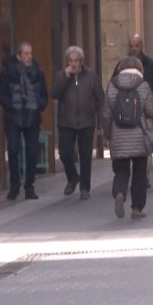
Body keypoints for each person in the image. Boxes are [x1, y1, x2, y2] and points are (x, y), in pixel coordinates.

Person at [102, 56, 153, 219]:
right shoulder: (143, 85)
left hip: (118, 137)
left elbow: (106, 114)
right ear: (140, 70)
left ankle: (119, 192)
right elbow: (151, 110)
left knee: (121, 170)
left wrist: (107, 134)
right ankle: (137, 208)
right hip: (139, 136)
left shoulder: (112, 85)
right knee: (140, 173)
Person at [0, 42, 49, 201]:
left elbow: (44, 93)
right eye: (26, 53)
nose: (29, 56)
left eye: (30, 53)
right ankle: (14, 185)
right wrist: (10, 105)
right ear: (18, 56)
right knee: (13, 150)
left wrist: (40, 105)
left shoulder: (37, 72)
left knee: (32, 152)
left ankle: (29, 186)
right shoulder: (8, 72)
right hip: (14, 117)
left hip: (32, 116)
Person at [51, 45, 104, 200]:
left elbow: (100, 99)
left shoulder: (91, 75)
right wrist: (65, 77)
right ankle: (73, 177)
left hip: (87, 120)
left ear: (81, 61)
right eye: (70, 61)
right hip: (66, 120)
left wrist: (100, 123)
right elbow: (55, 93)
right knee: (65, 152)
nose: (73, 64)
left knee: (86, 155)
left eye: (76, 61)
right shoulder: (61, 75)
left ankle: (85, 187)